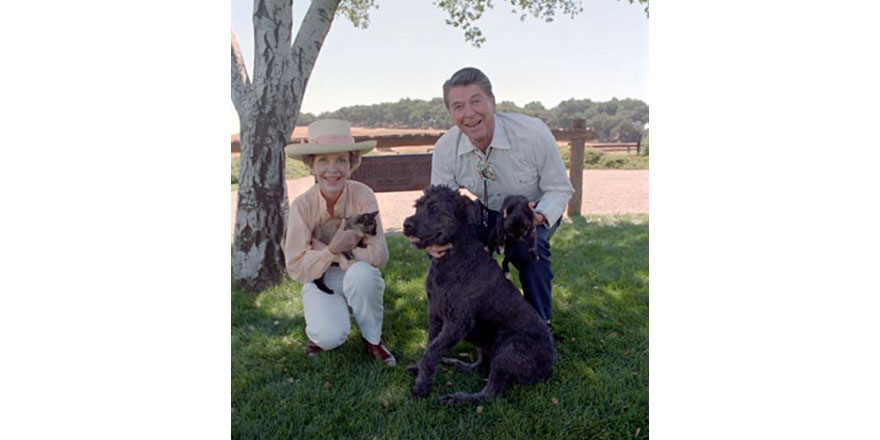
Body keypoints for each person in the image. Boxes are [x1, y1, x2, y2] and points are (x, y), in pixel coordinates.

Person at [428, 67, 574, 325]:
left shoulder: (533, 134)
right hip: (485, 211)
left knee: (530, 249)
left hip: (532, 210)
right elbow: (441, 204)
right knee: (446, 249)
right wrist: (436, 238)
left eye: (476, 101)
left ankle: (539, 324)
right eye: (458, 106)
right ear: (450, 113)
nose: (469, 114)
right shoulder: (445, 148)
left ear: (492, 102)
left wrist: (538, 216)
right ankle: (464, 319)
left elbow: (559, 188)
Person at [283, 119, 396, 365]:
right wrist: (335, 249)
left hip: (356, 271)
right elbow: (295, 267)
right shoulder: (302, 206)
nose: (332, 169)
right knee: (329, 336)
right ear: (311, 165)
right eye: (323, 160)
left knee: (364, 276)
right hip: (319, 276)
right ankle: (319, 333)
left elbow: (379, 256)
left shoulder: (363, 195)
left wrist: (329, 251)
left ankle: (373, 339)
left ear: (351, 164)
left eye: (341, 160)